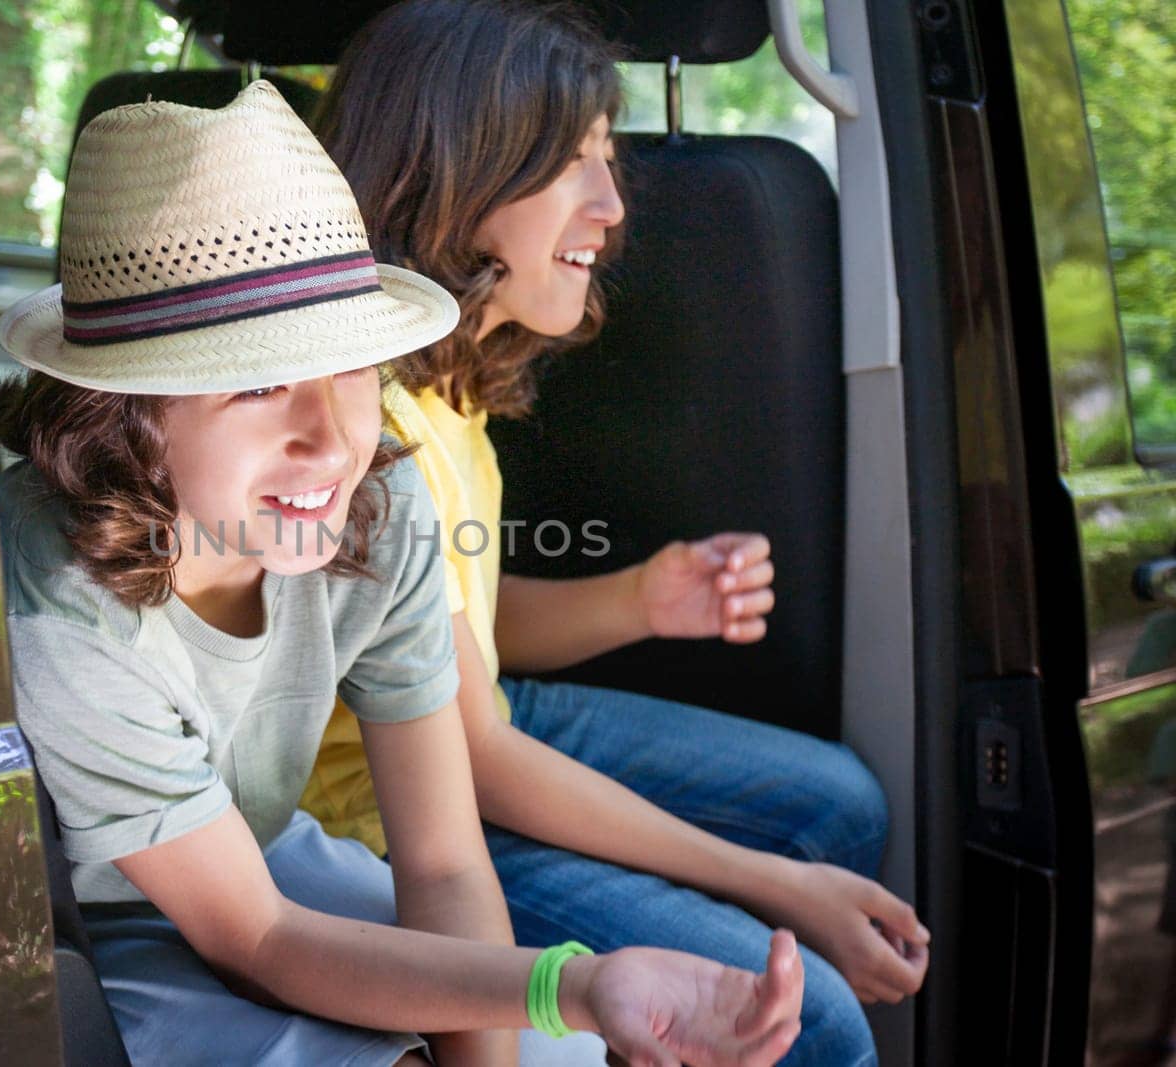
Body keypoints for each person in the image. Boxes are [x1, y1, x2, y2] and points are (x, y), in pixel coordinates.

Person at [0, 80, 805, 1066]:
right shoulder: (61, 601)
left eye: (349, 367)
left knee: (558, 1052)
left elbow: (442, 856)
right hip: (103, 909)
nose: (329, 440)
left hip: (268, 844)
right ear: (127, 415)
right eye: (256, 381)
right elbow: (254, 937)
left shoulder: (377, 501)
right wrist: (569, 981)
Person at [300, 3, 930, 1064]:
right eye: (572, 165)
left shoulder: (445, 387)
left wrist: (641, 598)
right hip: (384, 808)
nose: (612, 204)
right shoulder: (374, 428)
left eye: (609, 158)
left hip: (473, 726)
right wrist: (779, 886)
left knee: (836, 801)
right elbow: (474, 758)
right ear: (451, 173)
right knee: (815, 1017)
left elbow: (470, 622)